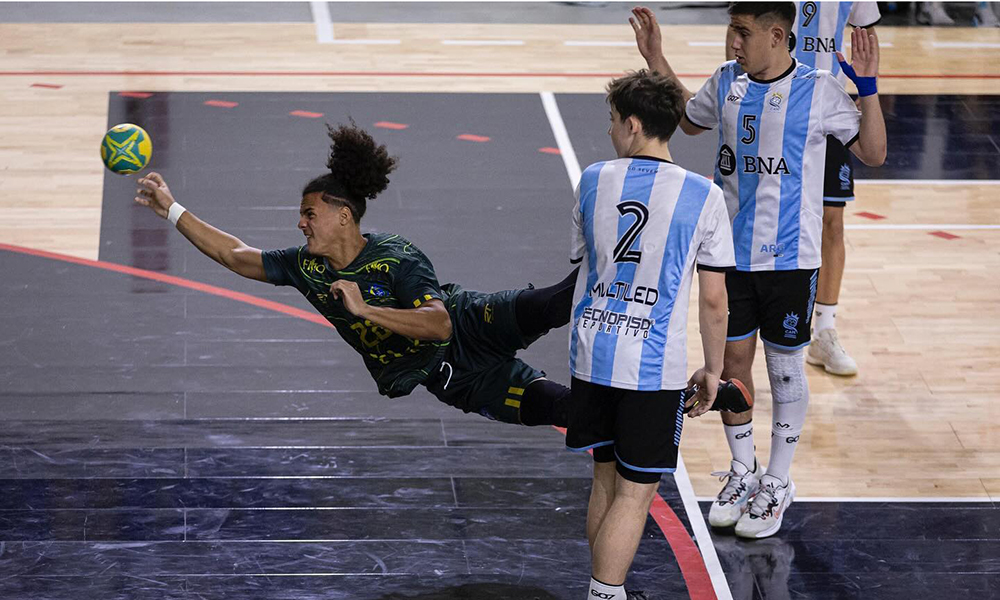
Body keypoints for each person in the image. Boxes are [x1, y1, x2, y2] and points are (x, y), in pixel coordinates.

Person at [631, 2, 886, 538]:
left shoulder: (818, 91)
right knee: (730, 370)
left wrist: (868, 87)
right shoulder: (726, 82)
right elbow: (688, 121)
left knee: (786, 370)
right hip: (731, 255)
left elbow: (874, 152)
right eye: (732, 31)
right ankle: (742, 471)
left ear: (777, 35)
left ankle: (778, 481)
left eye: (743, 33)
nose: (734, 43)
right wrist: (656, 57)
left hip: (792, 261)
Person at [133, 123, 576, 428]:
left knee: (556, 303)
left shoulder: (397, 256)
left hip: (470, 322)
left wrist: (366, 309)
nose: (300, 223)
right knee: (565, 408)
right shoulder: (305, 266)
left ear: (343, 216)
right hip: (454, 378)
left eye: (309, 214)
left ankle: (629, 273)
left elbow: (439, 323)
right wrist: (171, 209)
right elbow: (234, 254)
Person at [566, 70, 735, 600]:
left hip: (591, 354)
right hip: (652, 366)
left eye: (614, 122)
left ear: (634, 125)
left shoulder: (593, 178)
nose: (612, 132)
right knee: (637, 495)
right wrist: (713, 370)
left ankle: (604, 587)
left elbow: (584, 261)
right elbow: (713, 299)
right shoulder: (704, 196)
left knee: (605, 481)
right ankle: (605, 593)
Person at [725, 1, 881, 376]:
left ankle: (824, 330)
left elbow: (867, 33)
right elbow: (740, 29)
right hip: (773, 105)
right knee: (761, 206)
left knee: (832, 221)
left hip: (826, 104)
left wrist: (865, 87)